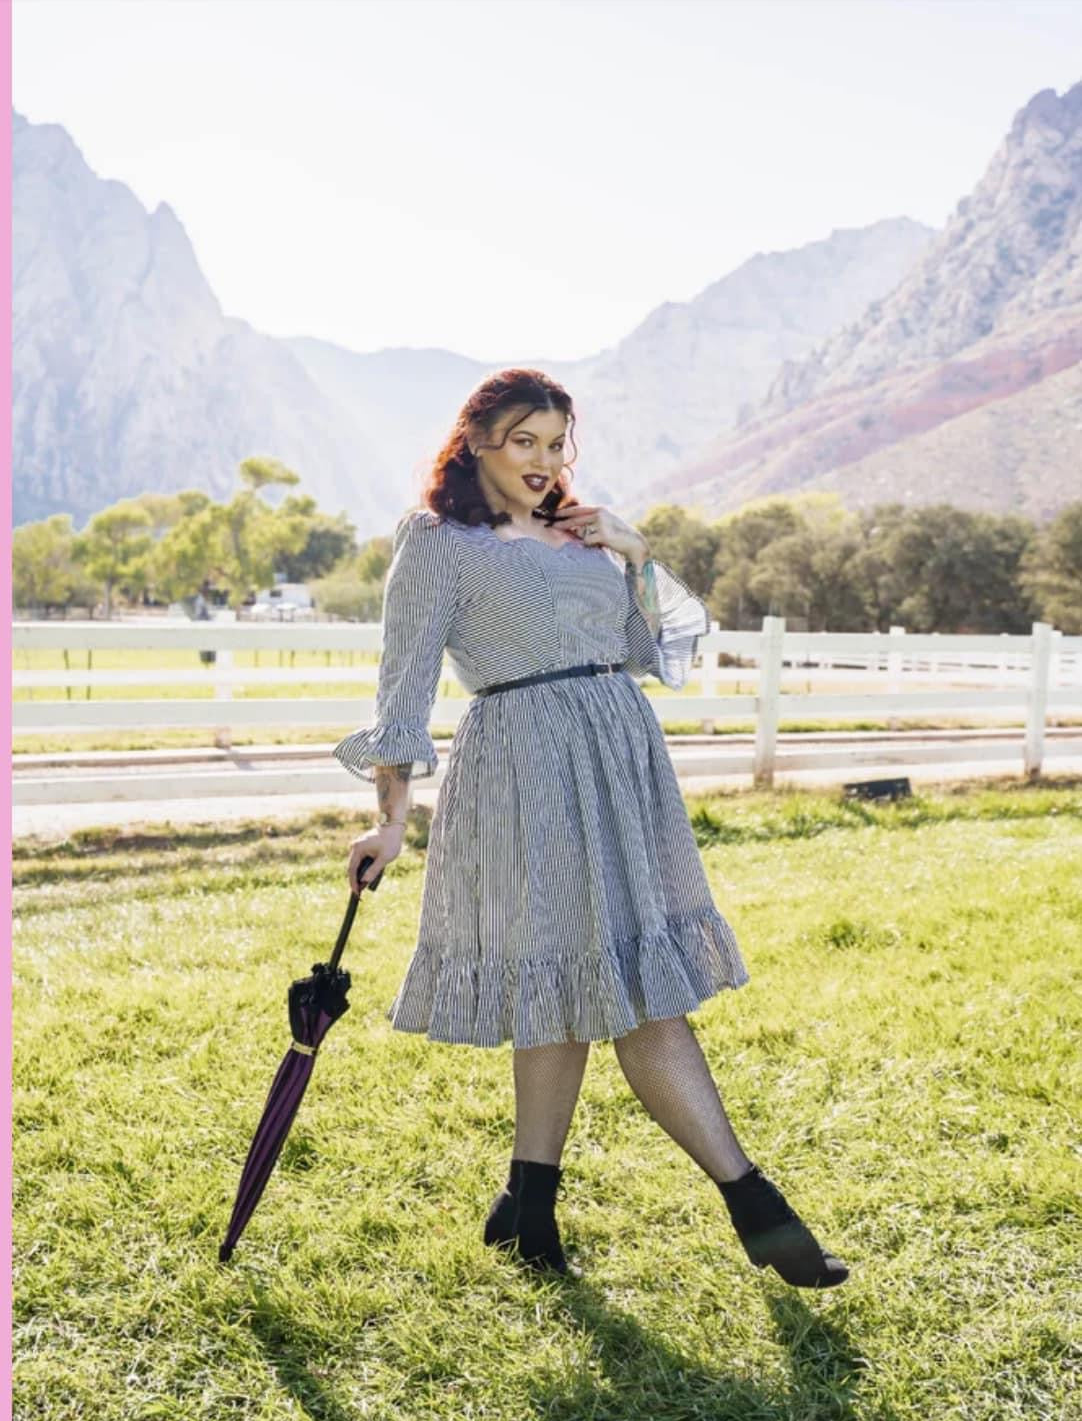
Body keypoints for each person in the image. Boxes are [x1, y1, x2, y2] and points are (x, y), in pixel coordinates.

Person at [335, 368, 847, 1291]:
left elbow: (656, 654)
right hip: (525, 768)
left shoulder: (586, 539)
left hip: (620, 766)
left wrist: (636, 552)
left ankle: (527, 1209)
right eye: (523, 440)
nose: (542, 460)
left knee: (574, 978)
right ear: (478, 440)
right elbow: (401, 686)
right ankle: (758, 1210)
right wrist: (390, 818)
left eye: (556, 442)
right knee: (631, 991)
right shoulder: (438, 541)